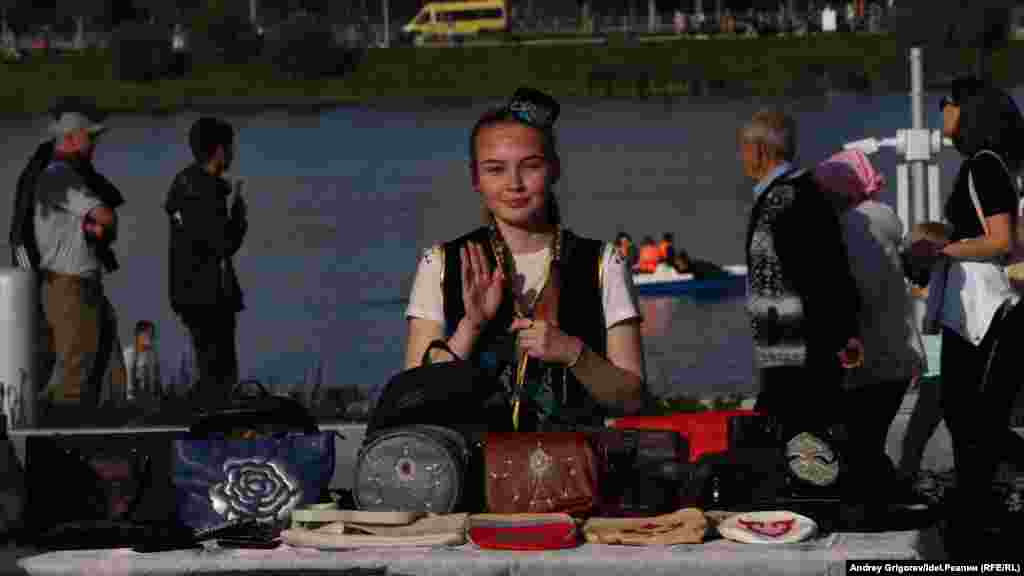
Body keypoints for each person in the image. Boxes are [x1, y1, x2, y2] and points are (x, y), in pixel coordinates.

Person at [404, 87, 647, 431]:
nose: (514, 184)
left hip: (572, 473)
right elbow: (414, 403)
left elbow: (633, 399)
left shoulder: (603, 262)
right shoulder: (440, 263)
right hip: (472, 474)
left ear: (554, 170)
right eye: (495, 169)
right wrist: (469, 329)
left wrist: (573, 353)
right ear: (475, 178)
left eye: (530, 167)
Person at [911, 77, 1024, 543]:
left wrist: (944, 250)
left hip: (988, 317)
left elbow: (1002, 241)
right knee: (967, 417)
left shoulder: (984, 166)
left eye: (947, 104)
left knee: (975, 420)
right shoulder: (988, 166)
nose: (942, 113)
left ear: (968, 111)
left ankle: (975, 522)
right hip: (974, 317)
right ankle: (976, 513)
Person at [739, 109, 863, 441]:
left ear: (760, 151)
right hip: (798, 347)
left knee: (798, 438)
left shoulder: (783, 198)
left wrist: (836, 334)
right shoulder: (803, 191)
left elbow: (821, 271)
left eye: (744, 147)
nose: (741, 156)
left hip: (795, 352)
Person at [813, 149, 926, 496]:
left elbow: (852, 295)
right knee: (867, 444)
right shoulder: (885, 219)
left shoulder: (845, 227)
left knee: (856, 448)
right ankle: (892, 502)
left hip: (864, 362)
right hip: (900, 356)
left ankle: (882, 510)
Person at [33, 99, 127, 416]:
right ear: (72, 137)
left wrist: (95, 226)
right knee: (75, 371)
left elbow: (95, 223)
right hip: (69, 286)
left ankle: (100, 431)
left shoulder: (66, 176)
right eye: (90, 136)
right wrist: (101, 220)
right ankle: (63, 440)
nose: (95, 143)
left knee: (106, 366)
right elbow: (105, 216)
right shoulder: (60, 177)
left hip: (83, 284)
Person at [166, 117, 248, 407]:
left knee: (213, 366)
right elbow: (222, 244)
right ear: (218, 151)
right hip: (206, 294)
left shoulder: (188, 185)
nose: (233, 153)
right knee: (219, 371)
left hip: (194, 291)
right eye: (230, 147)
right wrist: (238, 213)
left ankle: (205, 415)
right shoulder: (203, 191)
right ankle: (209, 425)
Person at [123, 320, 161, 405]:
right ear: (139, 335)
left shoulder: (152, 355)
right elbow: (127, 380)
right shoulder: (129, 354)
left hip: (148, 399)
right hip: (131, 401)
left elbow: (155, 379)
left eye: (152, 335)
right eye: (149, 334)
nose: (152, 337)